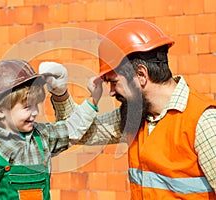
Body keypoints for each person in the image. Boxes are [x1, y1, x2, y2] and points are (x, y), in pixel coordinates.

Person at [46, 19, 216, 199]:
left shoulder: (203, 123)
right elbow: (81, 133)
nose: (111, 92)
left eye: (114, 82)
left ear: (141, 75)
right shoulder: (136, 116)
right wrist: (61, 94)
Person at [0, 59, 103, 199]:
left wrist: (93, 99)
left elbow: (71, 129)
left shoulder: (42, 137)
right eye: (27, 107)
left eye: (36, 105)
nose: (35, 112)